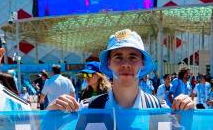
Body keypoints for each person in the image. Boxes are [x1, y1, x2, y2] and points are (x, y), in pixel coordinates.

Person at [49, 29, 194, 111]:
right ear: (109, 63)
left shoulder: (158, 109)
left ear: (142, 63)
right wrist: (51, 115)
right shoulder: (88, 109)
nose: (125, 64)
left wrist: (188, 116)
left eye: (133, 57)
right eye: (118, 57)